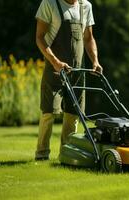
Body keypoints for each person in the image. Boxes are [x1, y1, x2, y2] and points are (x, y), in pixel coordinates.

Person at [35, 0, 102, 160]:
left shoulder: (86, 6)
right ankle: (42, 154)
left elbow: (88, 38)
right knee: (48, 111)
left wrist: (95, 61)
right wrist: (55, 62)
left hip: (78, 71)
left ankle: (66, 154)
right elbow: (39, 37)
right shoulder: (49, 4)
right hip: (54, 69)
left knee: (73, 113)